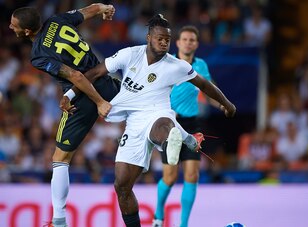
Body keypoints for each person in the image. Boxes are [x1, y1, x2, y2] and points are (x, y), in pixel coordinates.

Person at [61, 14, 236, 227]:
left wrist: (227, 104)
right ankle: (184, 138)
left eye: (167, 40)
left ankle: (171, 141)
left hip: (158, 112)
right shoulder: (129, 55)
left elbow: (205, 85)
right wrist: (69, 95)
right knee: (122, 186)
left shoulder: (176, 65)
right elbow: (95, 72)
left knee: (163, 127)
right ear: (148, 37)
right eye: (159, 38)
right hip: (133, 121)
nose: (163, 43)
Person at [9, 4, 120, 227]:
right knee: (145, 109)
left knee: (60, 159)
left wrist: (99, 102)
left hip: (82, 99)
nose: (10, 27)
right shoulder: (57, 21)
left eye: (14, 25)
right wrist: (105, 8)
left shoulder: (38, 55)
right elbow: (91, 9)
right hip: (105, 81)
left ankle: (59, 221)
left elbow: (76, 76)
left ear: (27, 31)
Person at [152, 25, 219, 227]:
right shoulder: (166, 63)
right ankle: (158, 214)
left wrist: (222, 104)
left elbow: (209, 90)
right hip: (169, 124)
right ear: (178, 43)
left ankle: (183, 224)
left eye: (192, 40)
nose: (188, 42)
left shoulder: (202, 66)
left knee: (192, 174)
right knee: (170, 177)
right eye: (185, 39)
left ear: (196, 44)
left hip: (192, 123)